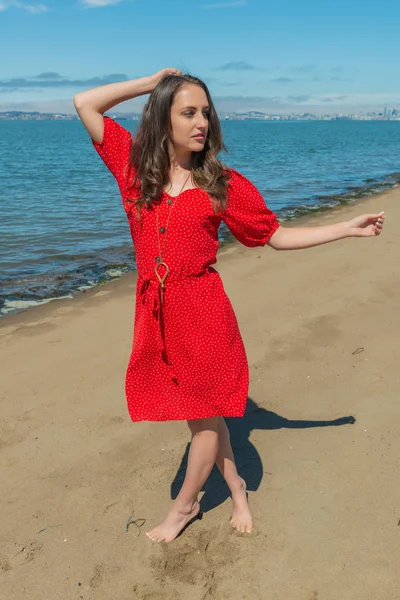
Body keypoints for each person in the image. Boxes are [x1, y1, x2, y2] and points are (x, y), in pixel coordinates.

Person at [73, 68, 386, 544]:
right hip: (156, 314)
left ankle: (184, 508)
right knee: (204, 412)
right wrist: (151, 83)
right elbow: (85, 103)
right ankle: (237, 486)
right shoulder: (134, 169)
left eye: (206, 112)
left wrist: (346, 228)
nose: (202, 122)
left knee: (203, 420)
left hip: (203, 313)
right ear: (163, 119)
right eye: (188, 112)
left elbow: (275, 235)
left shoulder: (222, 183)